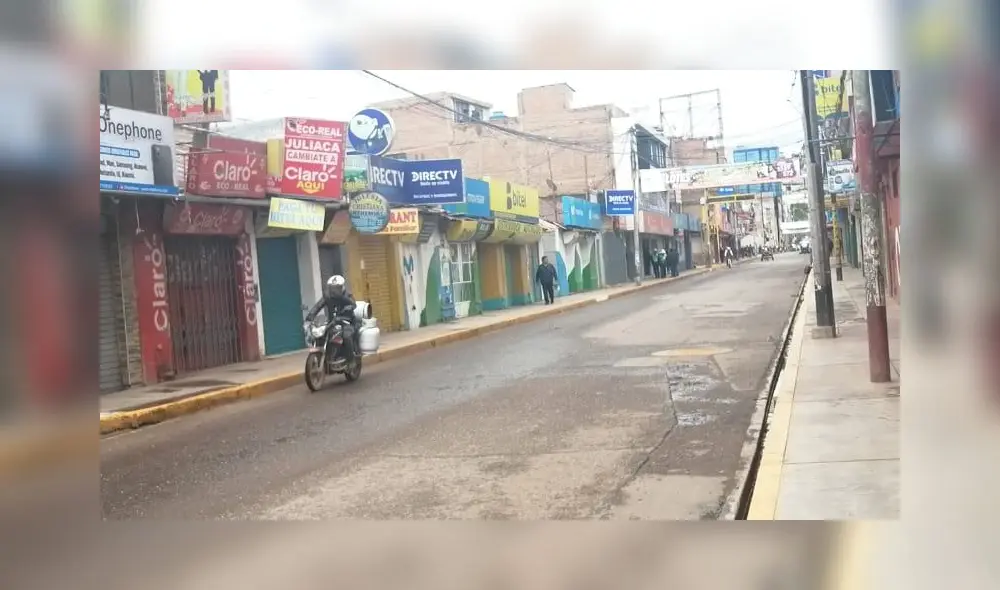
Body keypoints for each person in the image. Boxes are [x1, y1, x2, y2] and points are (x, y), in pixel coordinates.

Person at [304, 275, 358, 364]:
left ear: (342, 287)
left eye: (337, 288)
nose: (334, 291)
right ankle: (329, 355)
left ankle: (350, 360)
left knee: (346, 336)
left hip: (347, 321)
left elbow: (353, 304)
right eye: (332, 288)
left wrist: (348, 307)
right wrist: (310, 317)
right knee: (321, 334)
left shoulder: (347, 295)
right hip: (333, 321)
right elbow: (318, 306)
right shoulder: (327, 296)